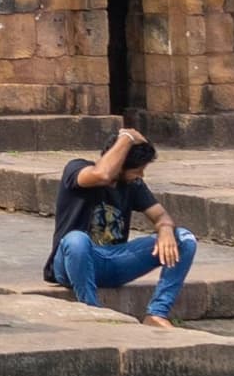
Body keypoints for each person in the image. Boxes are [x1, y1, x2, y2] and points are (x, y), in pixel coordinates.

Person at [46, 128, 193, 327]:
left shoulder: (133, 185)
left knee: (184, 239)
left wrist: (165, 229)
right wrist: (127, 137)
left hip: (113, 261)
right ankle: (92, 311)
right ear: (120, 165)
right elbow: (102, 174)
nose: (141, 174)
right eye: (136, 169)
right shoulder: (77, 169)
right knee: (76, 240)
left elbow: (160, 215)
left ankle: (157, 313)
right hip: (72, 262)